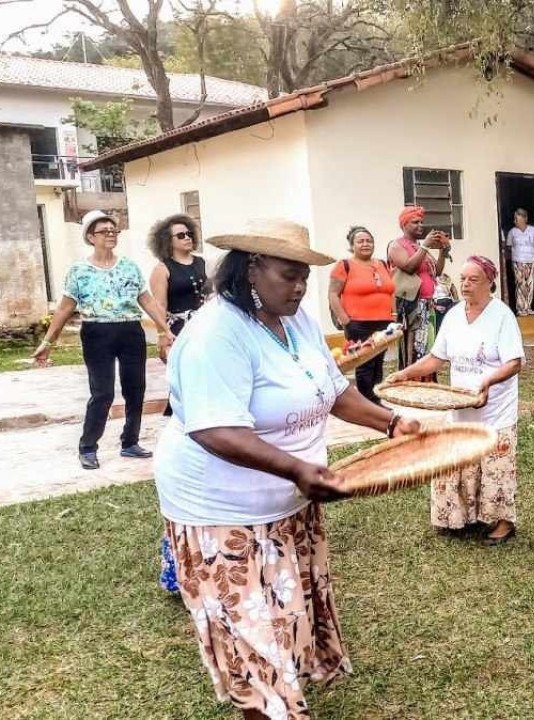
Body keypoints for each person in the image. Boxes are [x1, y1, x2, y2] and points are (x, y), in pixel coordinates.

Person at [154, 218, 420, 720]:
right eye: (287, 275)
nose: (299, 287)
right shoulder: (217, 333)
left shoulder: (295, 320)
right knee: (250, 640)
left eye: (304, 276)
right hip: (222, 510)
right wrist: (298, 469)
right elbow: (216, 430)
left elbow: (333, 390)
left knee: (281, 615)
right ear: (251, 269)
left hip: (287, 500)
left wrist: (392, 423)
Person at [386, 255, 524, 545]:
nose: (465, 284)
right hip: (460, 407)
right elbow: (437, 359)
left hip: (494, 409)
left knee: (495, 466)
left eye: (473, 279)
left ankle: (502, 521)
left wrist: (487, 381)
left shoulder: (502, 316)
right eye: (462, 279)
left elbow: (514, 363)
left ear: (490, 283)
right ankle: (459, 516)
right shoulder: (453, 316)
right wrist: (404, 373)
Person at [33, 210, 175, 470]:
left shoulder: (129, 266)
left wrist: (164, 328)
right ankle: (88, 447)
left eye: (114, 230)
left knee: (136, 389)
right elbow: (65, 308)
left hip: (130, 331)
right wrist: (48, 342)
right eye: (104, 231)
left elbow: (145, 299)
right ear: (90, 237)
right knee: (102, 393)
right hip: (97, 333)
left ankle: (130, 442)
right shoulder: (79, 271)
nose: (111, 234)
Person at [147, 213, 210, 595]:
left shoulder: (202, 264)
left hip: (207, 329)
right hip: (181, 332)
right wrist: (164, 337)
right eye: (180, 235)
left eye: (190, 233)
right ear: (167, 241)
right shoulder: (163, 269)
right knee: (186, 396)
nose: (187, 239)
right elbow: (158, 307)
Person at [329, 226, 396, 403]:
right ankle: (366, 402)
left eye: (369, 241)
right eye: (360, 241)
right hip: (358, 322)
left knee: (378, 362)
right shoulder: (344, 265)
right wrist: (345, 319)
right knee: (364, 363)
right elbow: (333, 294)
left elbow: (390, 291)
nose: (365, 244)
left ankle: (376, 400)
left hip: (383, 322)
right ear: (352, 246)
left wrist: (394, 314)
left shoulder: (382, 264)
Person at [388, 206, 450, 374]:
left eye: (422, 222)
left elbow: (436, 272)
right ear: (404, 225)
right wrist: (426, 247)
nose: (420, 225)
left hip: (428, 305)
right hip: (411, 307)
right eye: (415, 222)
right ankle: (410, 382)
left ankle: (426, 381)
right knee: (414, 349)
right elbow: (409, 267)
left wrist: (443, 251)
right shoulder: (396, 246)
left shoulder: (419, 247)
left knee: (428, 348)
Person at [505, 208, 534, 316]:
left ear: (525, 219)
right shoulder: (512, 232)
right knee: (521, 284)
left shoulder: (533, 231)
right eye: (515, 219)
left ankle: (528, 307)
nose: (515, 221)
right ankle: (521, 309)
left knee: (530, 284)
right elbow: (509, 247)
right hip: (518, 262)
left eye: (517, 219)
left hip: (531, 260)